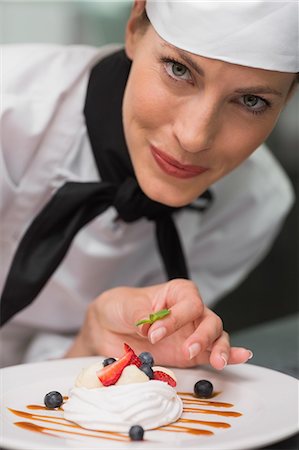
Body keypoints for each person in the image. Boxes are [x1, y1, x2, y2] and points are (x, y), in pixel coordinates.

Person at [0, 0, 297, 369]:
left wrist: (90, 340)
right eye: (178, 69)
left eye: (251, 101)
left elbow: (51, 387)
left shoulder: (252, 205)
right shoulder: (7, 115)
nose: (193, 137)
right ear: (134, 28)